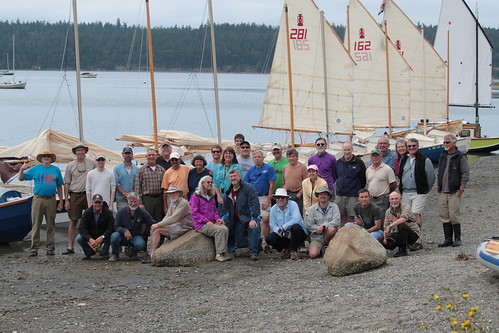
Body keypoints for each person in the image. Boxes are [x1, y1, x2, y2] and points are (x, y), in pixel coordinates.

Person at [19, 150, 64, 256]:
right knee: (36, 224)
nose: (46, 157)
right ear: (41, 158)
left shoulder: (56, 170)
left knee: (51, 224)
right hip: (38, 199)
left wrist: (61, 201)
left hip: (51, 199)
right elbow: (21, 178)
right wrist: (21, 169)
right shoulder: (35, 169)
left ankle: (50, 247)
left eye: (48, 156)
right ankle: (34, 248)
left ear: (51, 158)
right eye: (44, 156)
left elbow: (59, 186)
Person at [399, 138, 435, 250]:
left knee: (416, 214)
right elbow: (401, 175)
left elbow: (431, 177)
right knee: (407, 215)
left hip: (418, 192)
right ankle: (411, 238)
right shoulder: (404, 159)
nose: (411, 148)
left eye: (413, 146)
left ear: (418, 146)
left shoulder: (425, 160)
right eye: (409, 146)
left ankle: (417, 240)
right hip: (406, 191)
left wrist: (425, 189)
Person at [62, 142, 96, 255]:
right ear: (75, 152)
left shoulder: (92, 163)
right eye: (78, 150)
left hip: (88, 194)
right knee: (73, 221)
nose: (80, 152)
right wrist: (66, 200)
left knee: (91, 220)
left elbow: (97, 175)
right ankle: (70, 246)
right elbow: (66, 183)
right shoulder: (70, 165)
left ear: (85, 151)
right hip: (75, 195)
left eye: (82, 150)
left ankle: (93, 244)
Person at [144, 186, 193, 262]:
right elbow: (167, 216)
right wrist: (159, 224)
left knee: (157, 230)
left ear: (178, 193)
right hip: (176, 225)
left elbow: (174, 218)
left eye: (174, 193)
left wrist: (158, 225)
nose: (172, 195)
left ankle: (152, 255)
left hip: (184, 226)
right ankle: (151, 252)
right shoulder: (173, 202)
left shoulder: (183, 203)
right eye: (170, 194)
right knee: (155, 228)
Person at [437, 134, 470, 248]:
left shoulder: (460, 157)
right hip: (442, 191)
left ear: (454, 143)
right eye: (444, 142)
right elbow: (440, 171)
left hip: (454, 190)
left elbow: (465, 174)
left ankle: (457, 238)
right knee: (444, 215)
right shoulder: (442, 155)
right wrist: (438, 184)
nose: (445, 144)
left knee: (454, 215)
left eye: (447, 142)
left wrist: (461, 189)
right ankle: (447, 238)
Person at [221, 169, 261, 261]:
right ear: (229, 178)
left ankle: (253, 252)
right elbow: (226, 208)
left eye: (235, 176)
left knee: (254, 228)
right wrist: (223, 219)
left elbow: (254, 204)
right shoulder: (228, 191)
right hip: (238, 220)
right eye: (231, 177)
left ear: (239, 176)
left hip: (249, 217)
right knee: (240, 243)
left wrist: (254, 218)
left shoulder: (248, 187)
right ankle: (257, 243)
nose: (233, 178)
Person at [190, 175, 230, 262]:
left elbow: (214, 210)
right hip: (200, 224)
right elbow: (194, 213)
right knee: (219, 230)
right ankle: (219, 254)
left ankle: (223, 253)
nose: (210, 184)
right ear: (202, 184)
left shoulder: (211, 196)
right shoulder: (195, 196)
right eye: (208, 182)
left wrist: (218, 219)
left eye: (211, 182)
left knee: (225, 228)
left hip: (211, 222)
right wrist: (206, 221)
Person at [109, 192, 156, 262]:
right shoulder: (121, 212)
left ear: (138, 202)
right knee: (114, 236)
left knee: (141, 244)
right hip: (121, 235)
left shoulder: (142, 212)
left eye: (135, 202)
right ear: (128, 201)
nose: (133, 204)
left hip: (135, 236)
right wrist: (124, 231)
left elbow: (152, 222)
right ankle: (115, 254)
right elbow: (116, 226)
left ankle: (132, 252)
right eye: (131, 201)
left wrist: (159, 226)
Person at [244, 151, 276, 245]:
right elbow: (245, 184)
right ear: (253, 159)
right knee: (255, 220)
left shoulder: (269, 168)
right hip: (253, 198)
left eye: (259, 157)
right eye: (255, 157)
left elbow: (271, 185)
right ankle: (257, 242)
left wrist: (268, 200)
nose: (257, 158)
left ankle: (267, 242)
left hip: (265, 196)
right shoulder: (251, 170)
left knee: (266, 219)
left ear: (262, 158)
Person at [267, 188, 308, 260]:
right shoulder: (273, 209)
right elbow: (272, 225)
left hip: (298, 233)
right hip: (284, 234)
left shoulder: (293, 204)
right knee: (269, 238)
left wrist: (284, 227)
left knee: (295, 227)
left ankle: (294, 250)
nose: (280, 199)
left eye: (282, 197)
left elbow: (296, 219)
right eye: (278, 197)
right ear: (275, 199)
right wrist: (280, 231)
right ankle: (286, 248)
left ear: (286, 198)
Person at [335, 142, 367, 225]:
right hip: (340, 194)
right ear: (342, 150)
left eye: (349, 150)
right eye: (345, 150)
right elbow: (335, 176)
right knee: (341, 216)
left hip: (353, 195)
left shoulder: (359, 163)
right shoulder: (338, 163)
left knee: (351, 217)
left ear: (352, 150)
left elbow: (363, 179)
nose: (347, 152)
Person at [76, 194, 114, 260]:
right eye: (95, 202)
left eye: (99, 202)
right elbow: (81, 228)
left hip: (103, 235)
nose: (97, 205)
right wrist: (89, 239)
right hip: (91, 234)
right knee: (79, 238)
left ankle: (104, 252)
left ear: (102, 203)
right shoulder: (87, 212)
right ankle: (89, 252)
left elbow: (111, 227)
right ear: (92, 203)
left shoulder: (108, 213)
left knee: (113, 235)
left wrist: (102, 236)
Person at [306, 186, 340, 259]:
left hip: (330, 235)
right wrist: (317, 228)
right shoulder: (312, 209)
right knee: (313, 254)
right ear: (318, 196)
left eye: (325, 194)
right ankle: (321, 249)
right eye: (320, 194)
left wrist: (323, 226)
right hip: (317, 237)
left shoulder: (334, 207)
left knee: (332, 229)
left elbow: (336, 221)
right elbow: (309, 225)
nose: (323, 196)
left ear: (328, 196)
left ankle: (329, 247)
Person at [383, 192, 420, 257]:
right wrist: (385, 237)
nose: (394, 201)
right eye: (392, 199)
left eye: (396, 198)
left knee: (401, 225)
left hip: (412, 233)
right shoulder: (388, 212)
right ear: (389, 200)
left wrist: (390, 226)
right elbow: (385, 226)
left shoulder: (406, 207)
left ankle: (403, 250)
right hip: (397, 233)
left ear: (400, 199)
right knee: (384, 242)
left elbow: (403, 219)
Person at [135, 148, 165, 222]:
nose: (151, 157)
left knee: (159, 220)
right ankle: (146, 234)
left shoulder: (161, 170)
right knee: (146, 221)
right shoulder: (141, 170)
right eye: (149, 155)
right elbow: (137, 187)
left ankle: (158, 233)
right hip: (147, 199)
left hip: (159, 199)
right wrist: (140, 203)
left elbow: (164, 187)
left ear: (156, 156)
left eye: (153, 155)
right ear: (146, 156)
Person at [366, 149, 397, 217]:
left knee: (381, 218)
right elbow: (368, 183)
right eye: (373, 156)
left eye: (377, 156)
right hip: (371, 199)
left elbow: (393, 184)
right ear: (370, 158)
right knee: (372, 218)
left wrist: (387, 194)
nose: (375, 158)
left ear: (381, 157)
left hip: (382, 199)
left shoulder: (387, 169)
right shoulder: (368, 170)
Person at [282, 148, 307, 215]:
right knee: (287, 213)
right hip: (287, 194)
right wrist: (284, 189)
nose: (291, 158)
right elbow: (283, 181)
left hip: (298, 194)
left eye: (293, 156)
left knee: (298, 214)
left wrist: (300, 193)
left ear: (297, 157)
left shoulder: (303, 167)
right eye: (289, 157)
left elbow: (306, 183)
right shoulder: (285, 167)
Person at [114, 147, 139, 211]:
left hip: (133, 199)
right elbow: (116, 183)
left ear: (132, 154)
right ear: (123, 155)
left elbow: (137, 183)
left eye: (129, 153)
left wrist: (130, 193)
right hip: (121, 199)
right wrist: (124, 193)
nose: (127, 155)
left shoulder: (137, 169)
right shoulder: (117, 168)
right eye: (126, 153)